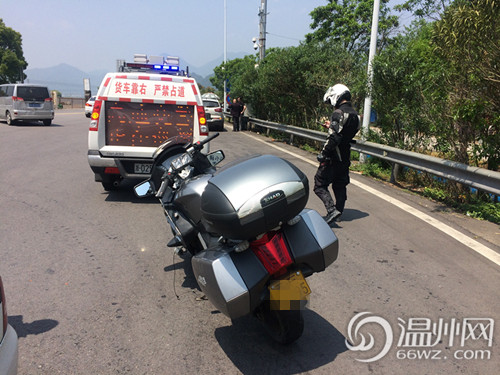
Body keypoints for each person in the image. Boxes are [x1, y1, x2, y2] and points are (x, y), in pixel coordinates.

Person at [314, 84, 360, 223]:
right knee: (340, 184)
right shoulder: (356, 116)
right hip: (345, 156)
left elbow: (335, 137)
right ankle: (338, 212)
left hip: (333, 156)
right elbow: (345, 132)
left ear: (336, 96)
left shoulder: (338, 113)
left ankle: (331, 210)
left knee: (319, 185)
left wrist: (323, 153)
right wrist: (331, 126)